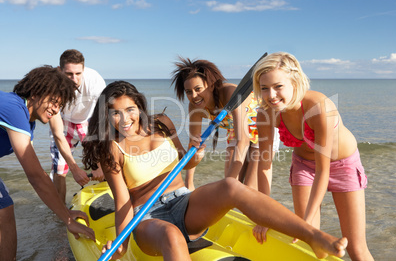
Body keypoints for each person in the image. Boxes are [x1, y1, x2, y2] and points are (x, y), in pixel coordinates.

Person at [82, 80, 347, 260]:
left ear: (138, 106)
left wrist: (194, 157)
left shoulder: (161, 124)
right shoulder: (112, 148)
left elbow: (182, 162)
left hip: (184, 202)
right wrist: (122, 244)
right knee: (171, 235)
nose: (124, 119)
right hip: (147, 217)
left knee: (231, 186)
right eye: (114, 113)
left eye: (129, 109)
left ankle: (313, 236)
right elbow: (123, 200)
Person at [252, 52, 373, 261]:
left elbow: (323, 170)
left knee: (356, 247)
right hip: (303, 166)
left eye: (278, 86)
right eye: (264, 88)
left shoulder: (319, 107)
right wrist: (265, 215)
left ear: (295, 82)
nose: (271, 95)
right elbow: (264, 165)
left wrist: (306, 221)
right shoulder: (265, 112)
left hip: (342, 165)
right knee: (308, 242)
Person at [0, 66, 95, 261]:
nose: (55, 109)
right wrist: (67, 218)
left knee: (4, 210)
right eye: (53, 101)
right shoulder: (13, 108)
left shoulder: (27, 121)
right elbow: (35, 176)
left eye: (59, 105)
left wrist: (64, 210)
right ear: (35, 94)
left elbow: (36, 169)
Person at [171, 57, 280, 191]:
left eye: (198, 89)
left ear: (210, 85)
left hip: (262, 127)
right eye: (188, 91)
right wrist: (189, 183)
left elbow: (244, 141)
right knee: (233, 184)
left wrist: (227, 183)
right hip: (235, 131)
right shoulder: (195, 107)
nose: (194, 96)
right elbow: (194, 144)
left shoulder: (229, 94)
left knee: (249, 188)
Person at [49, 49, 106, 203]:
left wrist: (97, 163)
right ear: (60, 70)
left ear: (84, 69)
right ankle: (59, 214)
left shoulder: (95, 81)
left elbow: (102, 118)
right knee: (59, 170)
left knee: (103, 167)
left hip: (88, 122)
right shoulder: (51, 86)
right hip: (64, 122)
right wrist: (74, 169)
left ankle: (108, 204)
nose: (74, 79)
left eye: (78, 73)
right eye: (69, 74)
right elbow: (57, 133)